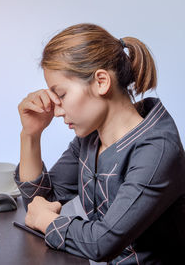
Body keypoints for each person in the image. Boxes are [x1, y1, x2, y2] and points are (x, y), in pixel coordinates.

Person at [15, 23, 185, 264]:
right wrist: (30, 134)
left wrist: (47, 221)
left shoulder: (156, 150)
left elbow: (101, 242)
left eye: (61, 95)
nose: (57, 109)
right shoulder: (90, 140)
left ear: (101, 82)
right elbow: (38, 205)